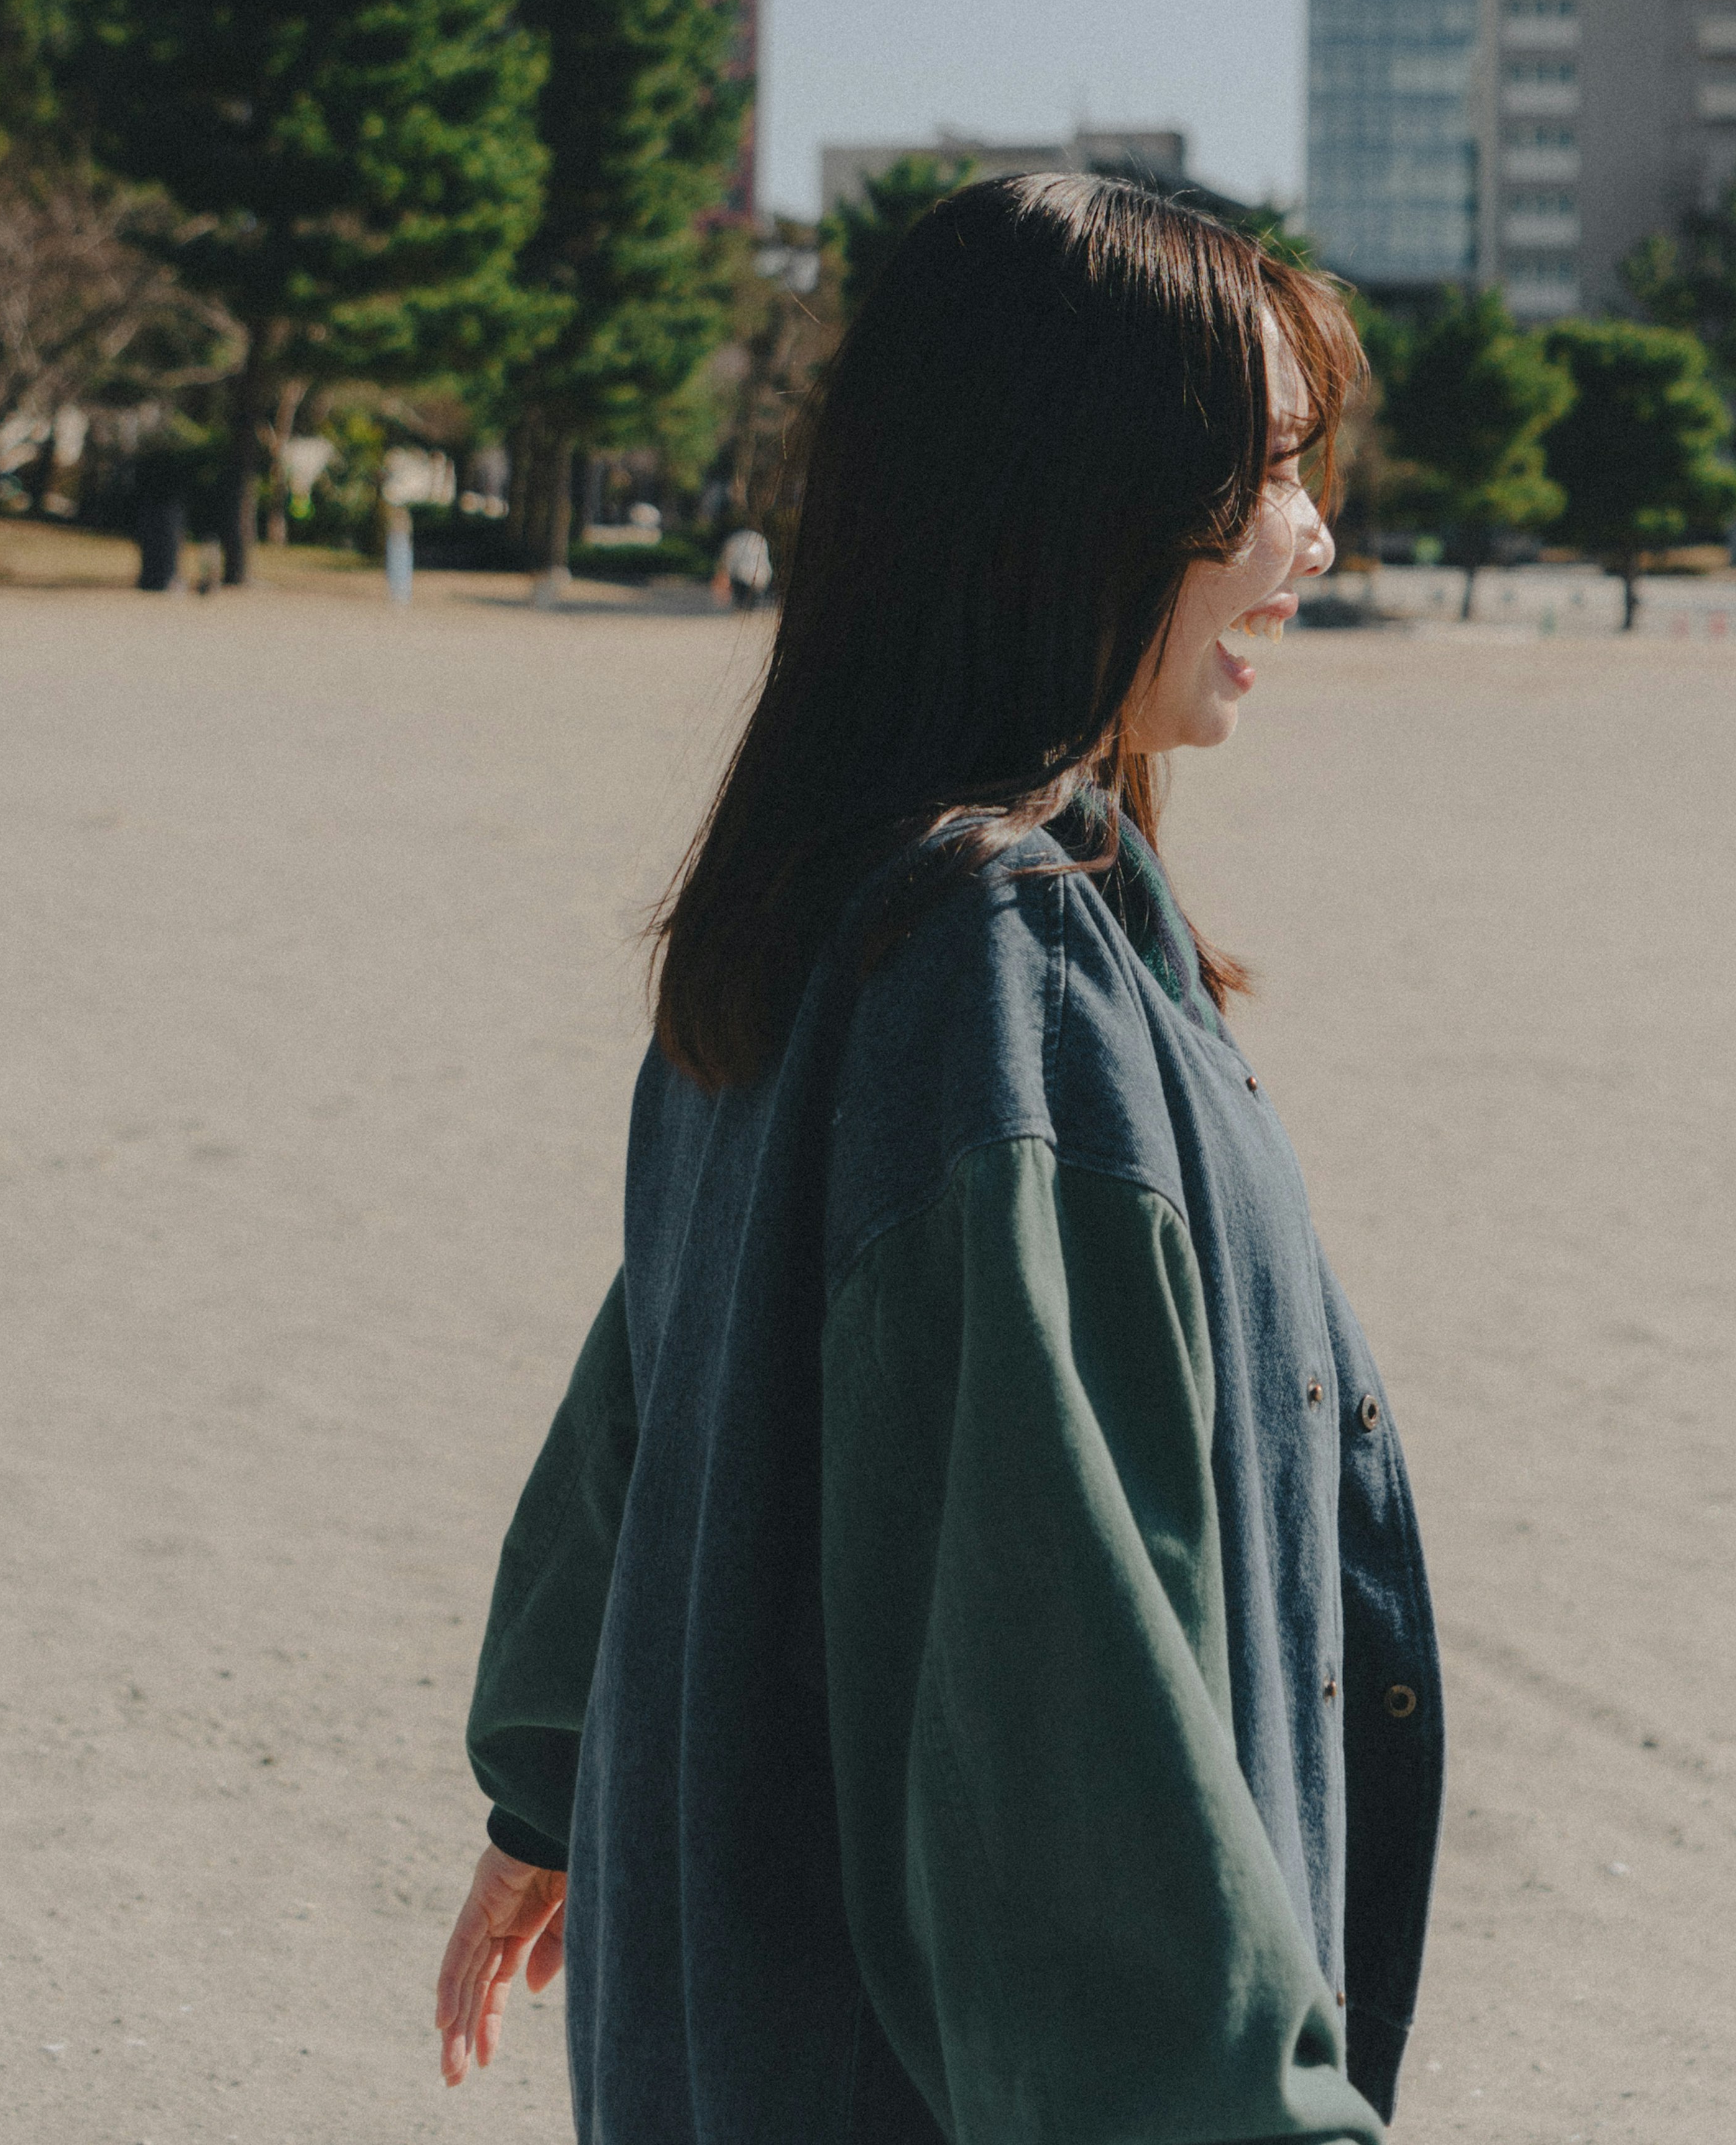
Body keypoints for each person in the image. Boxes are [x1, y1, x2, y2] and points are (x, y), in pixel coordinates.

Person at [433, 173, 1442, 2140]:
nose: (1311, 541)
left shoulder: (825, 891)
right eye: (1264, 476)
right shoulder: (992, 969)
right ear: (1075, 505)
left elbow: (660, 1357)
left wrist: (550, 1774)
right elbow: (1071, 1695)